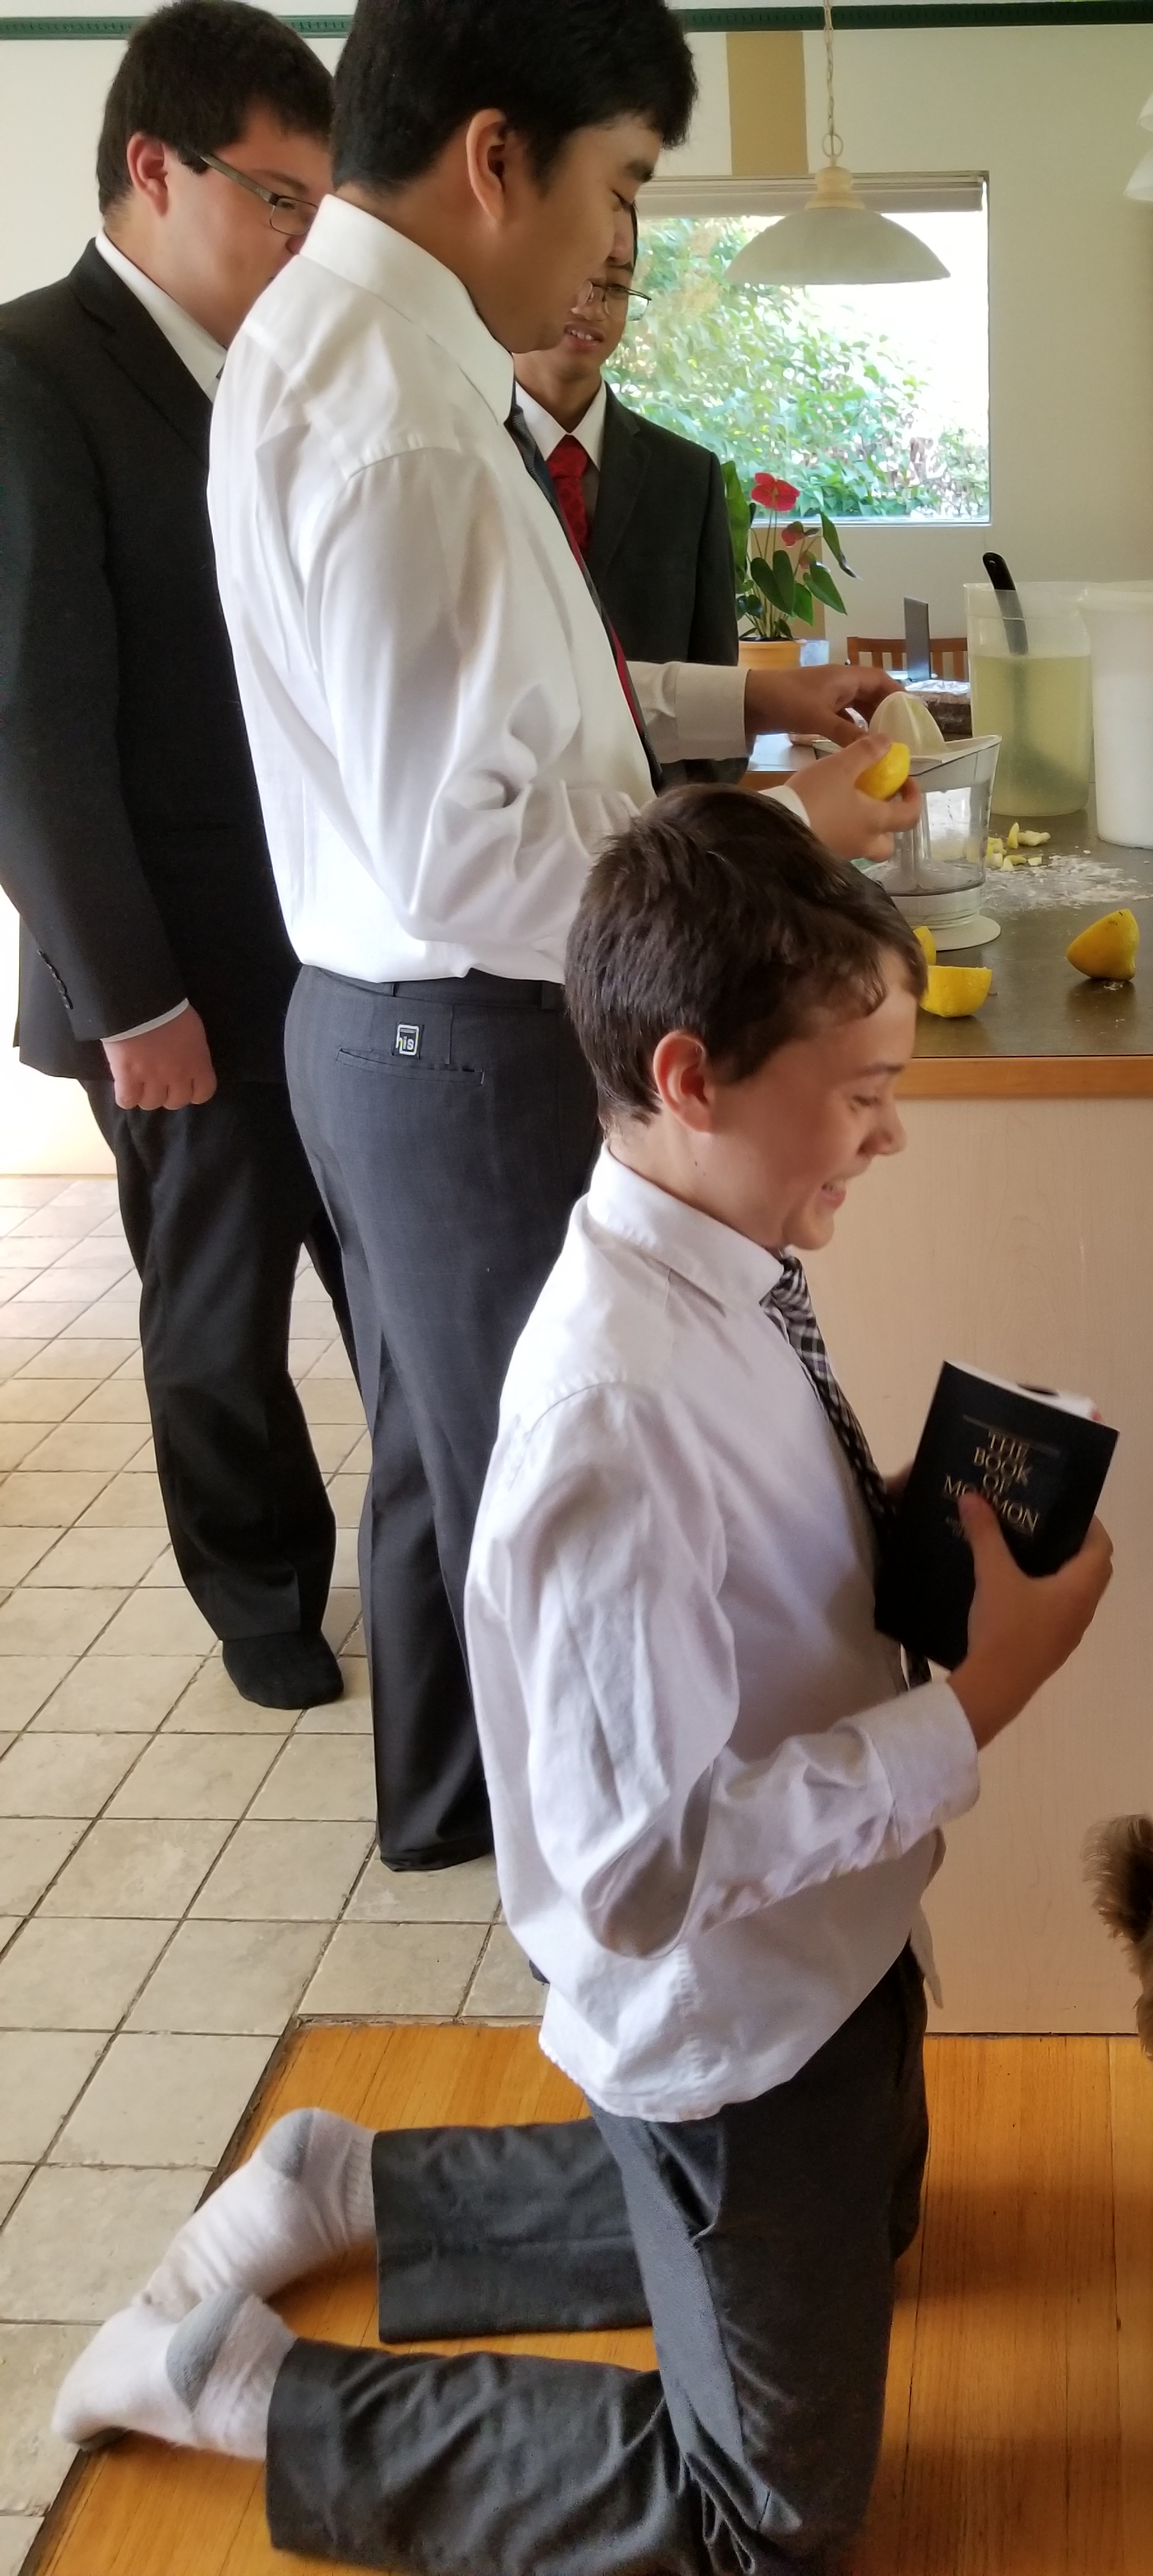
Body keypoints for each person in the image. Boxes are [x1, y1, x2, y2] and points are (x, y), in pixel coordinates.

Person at [54, 789, 1115, 2576]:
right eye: (863, 1091)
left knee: (875, 2221)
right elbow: (634, 1876)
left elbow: (749, 1561)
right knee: (765, 2527)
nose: (892, 1133)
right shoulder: (612, 1419)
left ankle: (349, 2188)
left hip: (838, 1953)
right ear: (693, 1078)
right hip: (734, 2021)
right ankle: (243, 2387)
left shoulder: (723, 1265)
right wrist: (977, 1705)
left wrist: (903, 1530)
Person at [206, 0, 918, 1867]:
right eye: (620, 185)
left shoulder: (361, 348)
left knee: (457, 1458)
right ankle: (589, 1887)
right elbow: (467, 854)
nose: (616, 245)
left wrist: (744, 704)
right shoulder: (402, 423)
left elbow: (522, 709)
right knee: (550, 1483)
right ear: (496, 157)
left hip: (396, 1029)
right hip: (465, 1038)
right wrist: (785, 833)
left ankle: (464, 1829)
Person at [0, 1, 351, 1712]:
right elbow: (30, 725)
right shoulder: (31, 371)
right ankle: (262, 1596)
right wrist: (132, 1000)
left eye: (319, 209)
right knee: (217, 1326)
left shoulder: (281, 380)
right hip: (178, 982)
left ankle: (450, 1568)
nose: (302, 240)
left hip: (344, 953)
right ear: (154, 168)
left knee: (390, 1285)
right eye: (278, 200)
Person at [512, 220, 740, 677]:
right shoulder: (456, 452)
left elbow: (716, 678)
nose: (593, 306)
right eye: (577, 275)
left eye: (616, 287)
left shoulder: (688, 476)